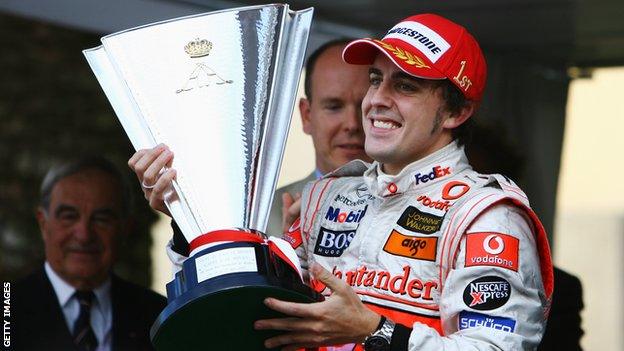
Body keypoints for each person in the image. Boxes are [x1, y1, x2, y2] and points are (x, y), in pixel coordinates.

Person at [129, 13, 554, 351]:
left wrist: (376, 330)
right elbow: (247, 308)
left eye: (404, 86)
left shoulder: (486, 218)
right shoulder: (326, 195)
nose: (376, 100)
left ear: (456, 112)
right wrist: (188, 215)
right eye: (376, 78)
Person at [12, 157, 166, 351]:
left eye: (101, 219)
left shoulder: (158, 316)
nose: (84, 235)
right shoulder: (7, 309)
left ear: (125, 228)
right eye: (69, 216)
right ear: (43, 224)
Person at [267, 39, 372, 236]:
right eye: (334, 107)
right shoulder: (261, 218)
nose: (352, 124)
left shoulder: (424, 206)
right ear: (307, 115)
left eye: (366, 106)